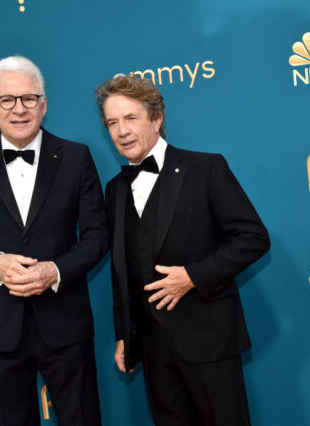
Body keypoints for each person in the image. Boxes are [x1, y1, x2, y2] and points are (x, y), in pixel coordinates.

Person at [0, 55, 108, 426]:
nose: (19, 109)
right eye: (7, 100)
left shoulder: (76, 157)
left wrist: (56, 270)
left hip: (65, 323)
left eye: (29, 98)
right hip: (0, 328)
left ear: (44, 104)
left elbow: (98, 235)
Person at [96, 75, 270, 426]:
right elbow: (122, 270)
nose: (121, 131)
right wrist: (123, 335)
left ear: (156, 119)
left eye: (131, 118)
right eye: (112, 122)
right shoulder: (114, 189)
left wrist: (193, 276)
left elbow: (253, 237)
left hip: (209, 339)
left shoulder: (205, 168)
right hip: (153, 346)